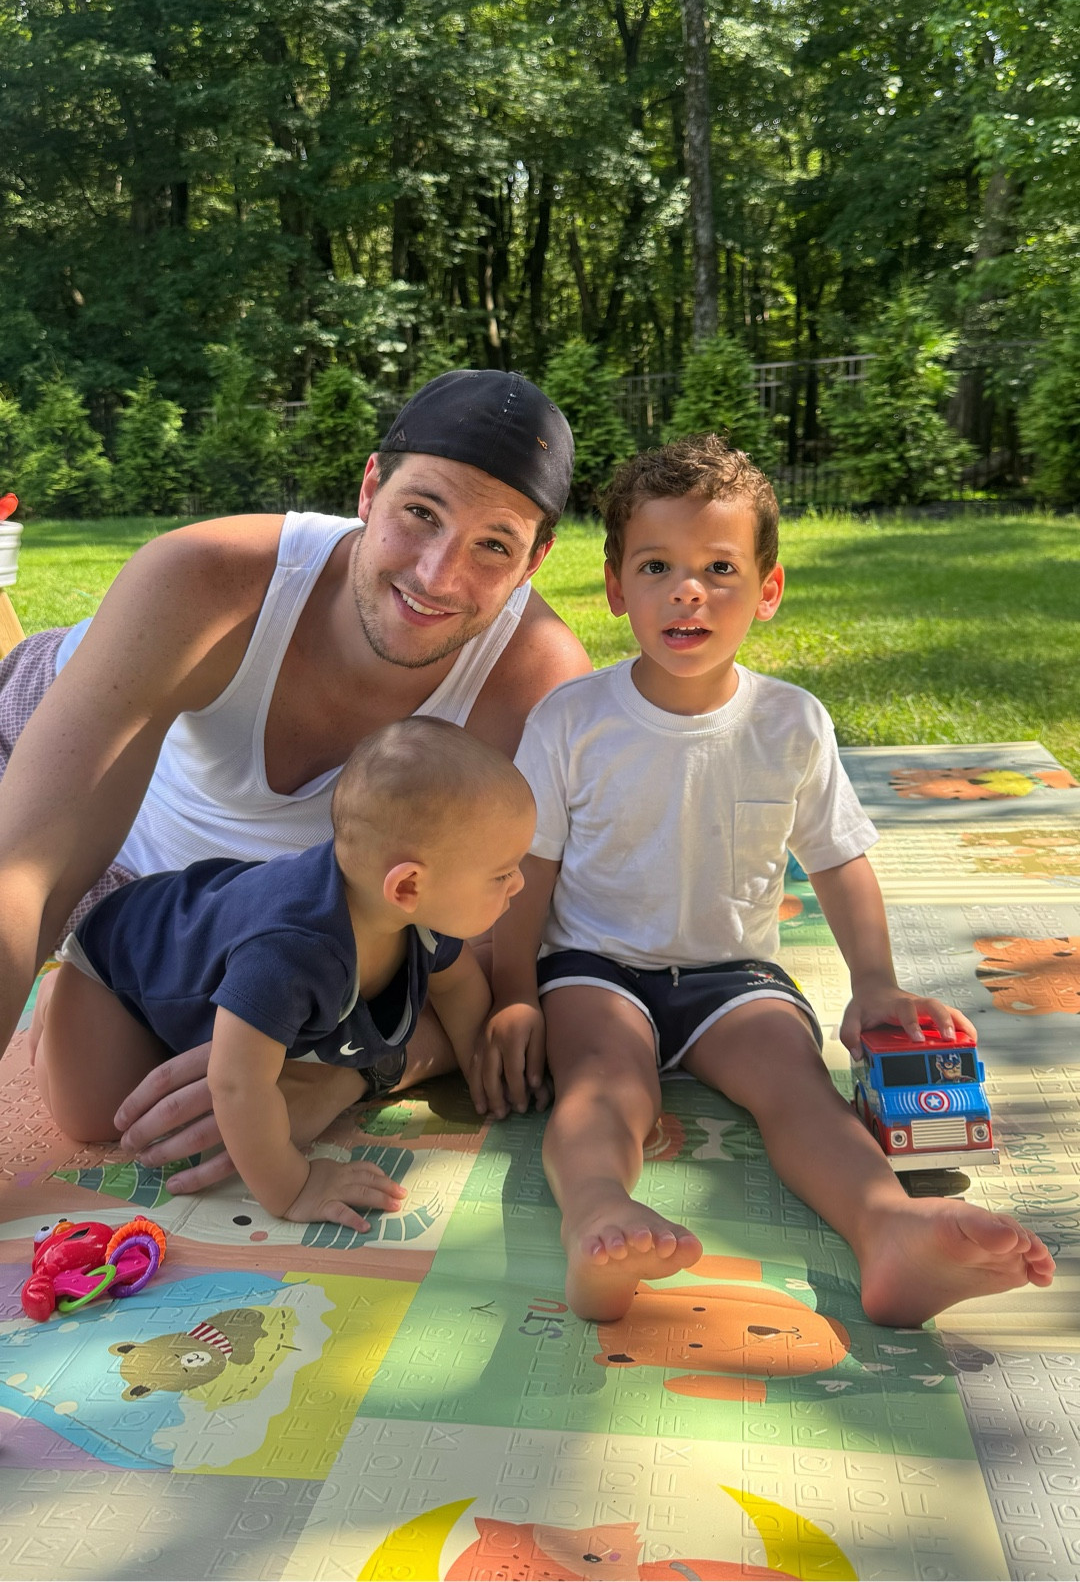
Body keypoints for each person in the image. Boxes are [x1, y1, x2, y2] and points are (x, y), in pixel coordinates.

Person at [478, 434, 1055, 1328]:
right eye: (658, 565)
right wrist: (515, 997)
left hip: (734, 978)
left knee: (798, 1086)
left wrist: (873, 987)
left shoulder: (792, 721)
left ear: (769, 590)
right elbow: (529, 873)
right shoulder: (573, 719)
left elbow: (836, 856)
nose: (689, 590)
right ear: (616, 587)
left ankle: (889, 1229)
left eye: (720, 567)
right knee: (603, 1082)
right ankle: (600, 1218)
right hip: (597, 967)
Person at [0, 369, 590, 1190]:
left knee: (138, 1105)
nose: (437, 575)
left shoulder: (536, 684)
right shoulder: (202, 579)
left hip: (253, 908)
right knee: (87, 1084)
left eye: (493, 545)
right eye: (420, 513)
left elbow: (488, 966)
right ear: (370, 487)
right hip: (64, 746)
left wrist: (343, 1074)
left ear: (536, 560)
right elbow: (26, 868)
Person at [31, 719, 536, 1228]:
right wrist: (295, 1187)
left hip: (211, 953)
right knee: (93, 1116)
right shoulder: (292, 954)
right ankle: (58, 994)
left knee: (227, 1057)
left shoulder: (422, 914)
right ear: (407, 885)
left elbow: (458, 987)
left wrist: (482, 1068)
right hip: (120, 960)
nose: (518, 884)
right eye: (501, 873)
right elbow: (235, 1085)